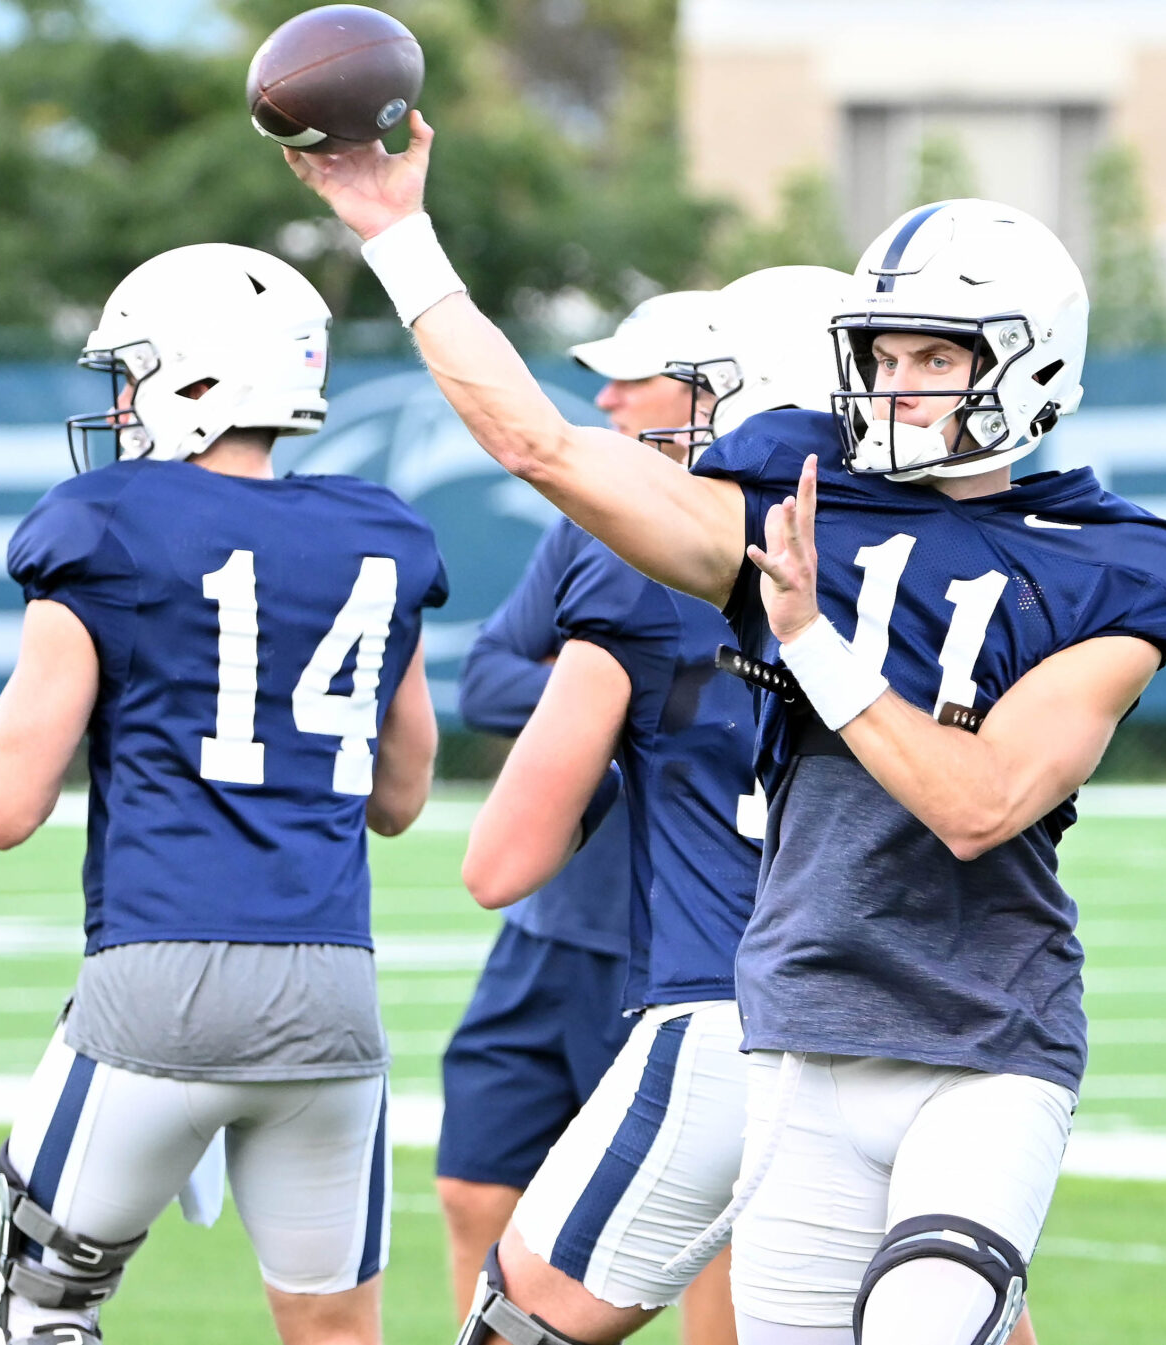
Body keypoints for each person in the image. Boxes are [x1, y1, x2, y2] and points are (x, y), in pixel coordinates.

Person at [285, 118, 1166, 1345]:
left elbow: (979, 802)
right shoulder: (792, 497)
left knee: (929, 1322)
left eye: (936, 356)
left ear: (1030, 366)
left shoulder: (1115, 566)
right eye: (882, 357)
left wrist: (814, 641)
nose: (897, 386)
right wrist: (397, 234)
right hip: (795, 1032)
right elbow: (541, 444)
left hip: (980, 1034)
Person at [0, 242, 450, 1345]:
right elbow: (401, 796)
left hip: (160, 976)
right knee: (333, 1328)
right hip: (332, 992)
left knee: (39, 1311)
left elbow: (6, 805)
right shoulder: (380, 536)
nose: (121, 403)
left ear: (194, 382)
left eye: (134, 375)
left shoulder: (109, 524)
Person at [451, 265, 846, 1345]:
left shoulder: (638, 573)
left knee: (525, 1319)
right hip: (932, 1029)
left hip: (730, 1005)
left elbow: (497, 863)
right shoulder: (972, 561)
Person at [436, 287, 730, 1333]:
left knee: (698, 1231)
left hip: (676, 942)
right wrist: (612, 698)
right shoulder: (593, 522)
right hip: (550, 922)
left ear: (712, 393)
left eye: (631, 375)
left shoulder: (793, 545)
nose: (601, 395)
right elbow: (486, 678)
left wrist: (609, 693)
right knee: (475, 1184)